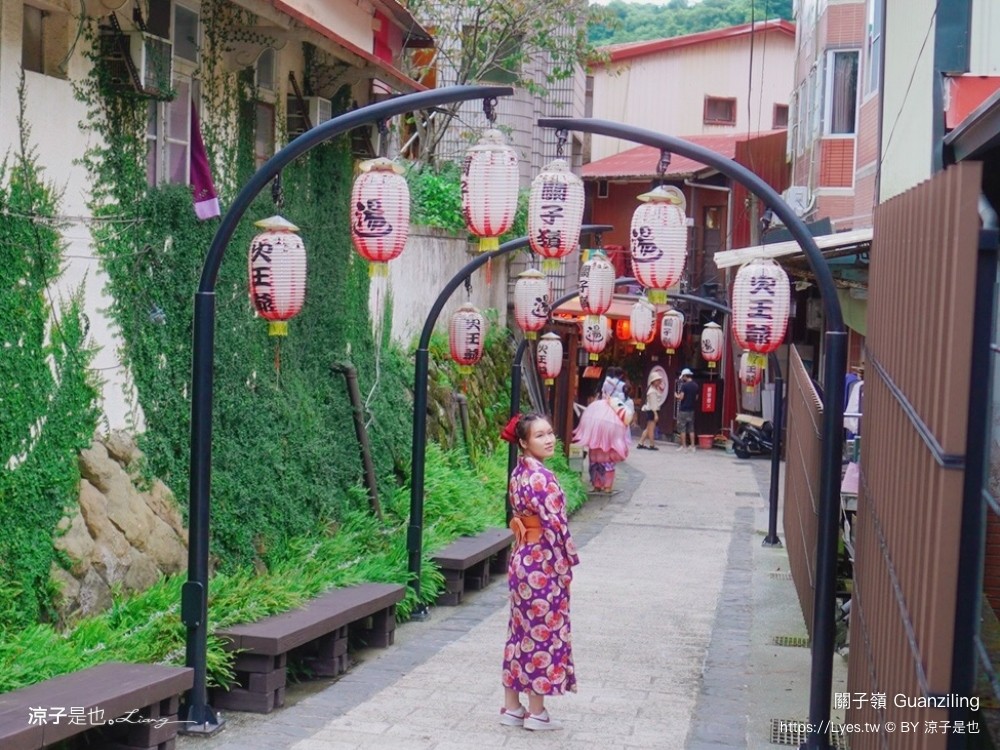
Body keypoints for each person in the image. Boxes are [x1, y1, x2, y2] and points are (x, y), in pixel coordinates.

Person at [499, 413, 579, 731]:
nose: (549, 440)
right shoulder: (543, 478)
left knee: (519, 632)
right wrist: (566, 564)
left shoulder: (519, 472)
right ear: (523, 442)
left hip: (522, 557)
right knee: (541, 633)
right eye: (539, 436)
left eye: (550, 433)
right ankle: (536, 712)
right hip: (543, 560)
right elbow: (557, 527)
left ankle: (511, 707)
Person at [573, 390, 631, 493]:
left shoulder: (594, 414)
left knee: (595, 469)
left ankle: (598, 486)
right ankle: (605, 486)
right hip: (604, 459)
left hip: (595, 458)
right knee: (604, 470)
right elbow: (617, 456)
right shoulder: (613, 436)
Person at [637, 371, 667, 449]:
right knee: (651, 429)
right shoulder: (652, 391)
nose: (659, 382)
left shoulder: (652, 389)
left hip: (650, 411)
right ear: (653, 381)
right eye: (657, 380)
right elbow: (653, 404)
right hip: (652, 411)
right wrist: (656, 414)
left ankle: (641, 442)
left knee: (648, 428)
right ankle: (651, 444)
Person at [675, 368, 699, 452]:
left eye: (683, 376)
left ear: (685, 376)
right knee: (691, 428)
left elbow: (681, 397)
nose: (682, 378)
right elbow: (696, 397)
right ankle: (693, 446)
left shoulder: (684, 386)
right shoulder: (696, 385)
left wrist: (676, 396)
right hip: (691, 409)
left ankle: (684, 446)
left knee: (683, 428)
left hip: (683, 409)